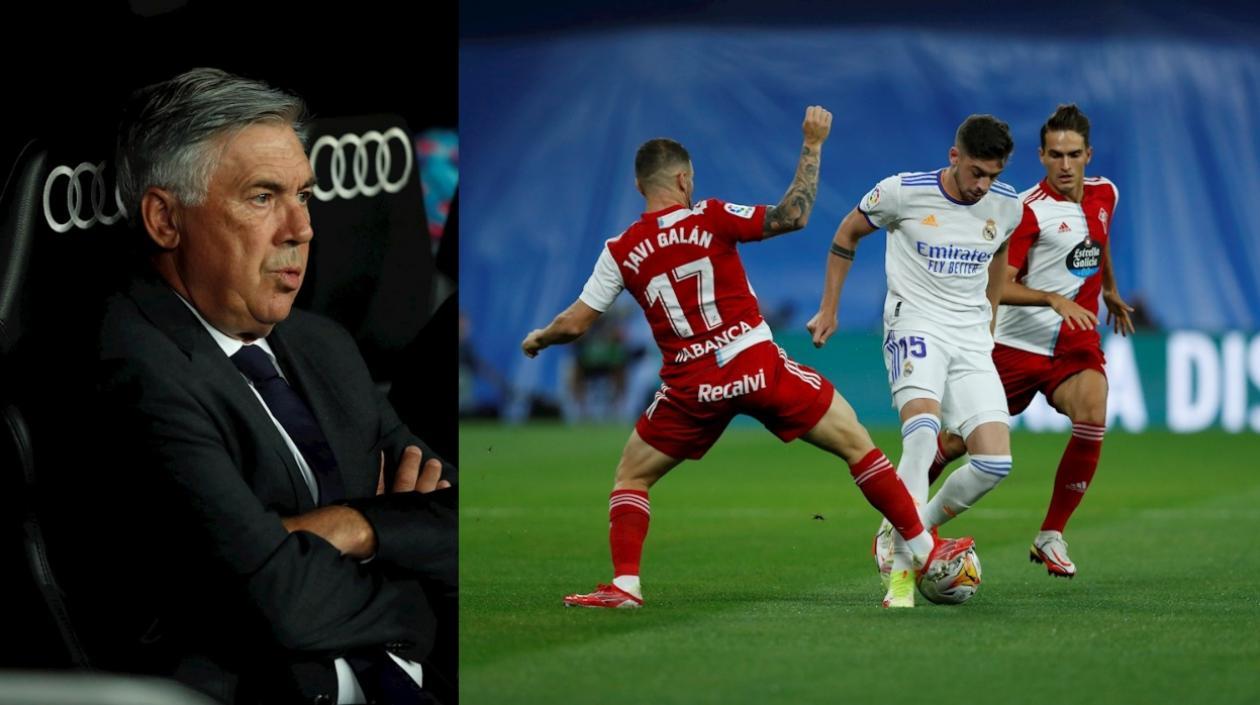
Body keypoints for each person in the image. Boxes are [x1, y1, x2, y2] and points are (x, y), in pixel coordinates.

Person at [55, 68, 456, 705]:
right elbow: (281, 602)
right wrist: (413, 594)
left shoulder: (322, 344)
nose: (302, 228)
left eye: (304, 194)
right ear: (164, 219)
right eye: (263, 197)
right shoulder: (131, 365)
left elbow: (468, 531)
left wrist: (354, 527)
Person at [521, 106, 972, 610]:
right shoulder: (709, 215)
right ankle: (925, 551)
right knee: (858, 447)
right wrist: (813, 143)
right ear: (684, 179)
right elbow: (792, 216)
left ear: (640, 186)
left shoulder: (620, 248)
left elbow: (577, 323)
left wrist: (540, 337)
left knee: (631, 477)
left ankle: (625, 585)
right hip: (756, 366)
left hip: (691, 388)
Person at [807, 115, 1023, 607]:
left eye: (991, 174)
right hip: (915, 324)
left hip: (970, 338)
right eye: (975, 172)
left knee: (994, 462)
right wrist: (829, 308)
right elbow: (847, 233)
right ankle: (902, 577)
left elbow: (1000, 254)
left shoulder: (1007, 205)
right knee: (923, 433)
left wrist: (989, 321)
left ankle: (901, 532)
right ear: (954, 157)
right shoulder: (902, 192)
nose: (982, 185)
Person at [926, 104, 1134, 578]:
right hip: (1015, 348)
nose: (1064, 165)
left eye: (1073, 155)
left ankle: (1051, 534)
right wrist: (1050, 299)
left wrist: (1109, 290)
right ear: (1041, 155)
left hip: (1072, 347)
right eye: (1055, 155)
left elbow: (1098, 245)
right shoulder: (1025, 212)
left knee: (1093, 410)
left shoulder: (1106, 194)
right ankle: (902, 515)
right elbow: (998, 286)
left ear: (1088, 154)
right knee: (957, 443)